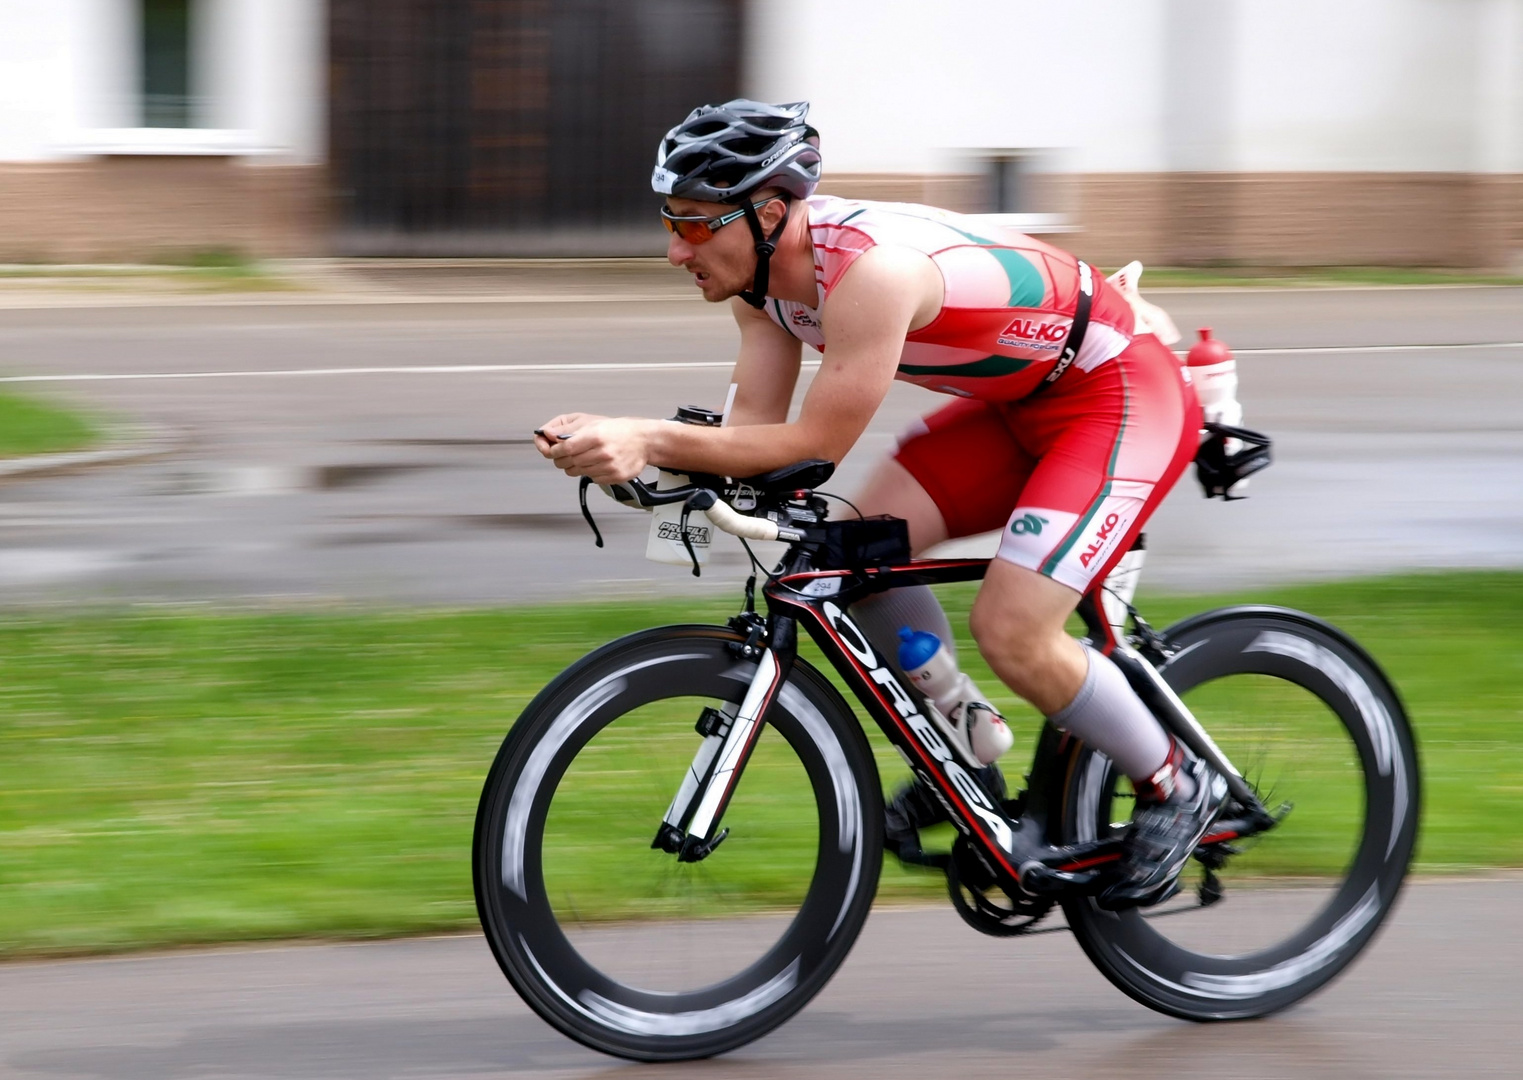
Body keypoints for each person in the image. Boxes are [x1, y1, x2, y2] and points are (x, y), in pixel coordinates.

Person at [534, 99, 1226, 909]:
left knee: (1011, 627)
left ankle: (1176, 784)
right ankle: (964, 752)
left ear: (765, 213)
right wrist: (633, 456)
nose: (671, 248)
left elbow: (815, 444)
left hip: (1119, 396)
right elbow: (753, 436)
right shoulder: (758, 285)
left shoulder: (870, 273)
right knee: (851, 553)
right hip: (1020, 406)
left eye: (691, 225)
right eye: (669, 221)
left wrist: (650, 438)